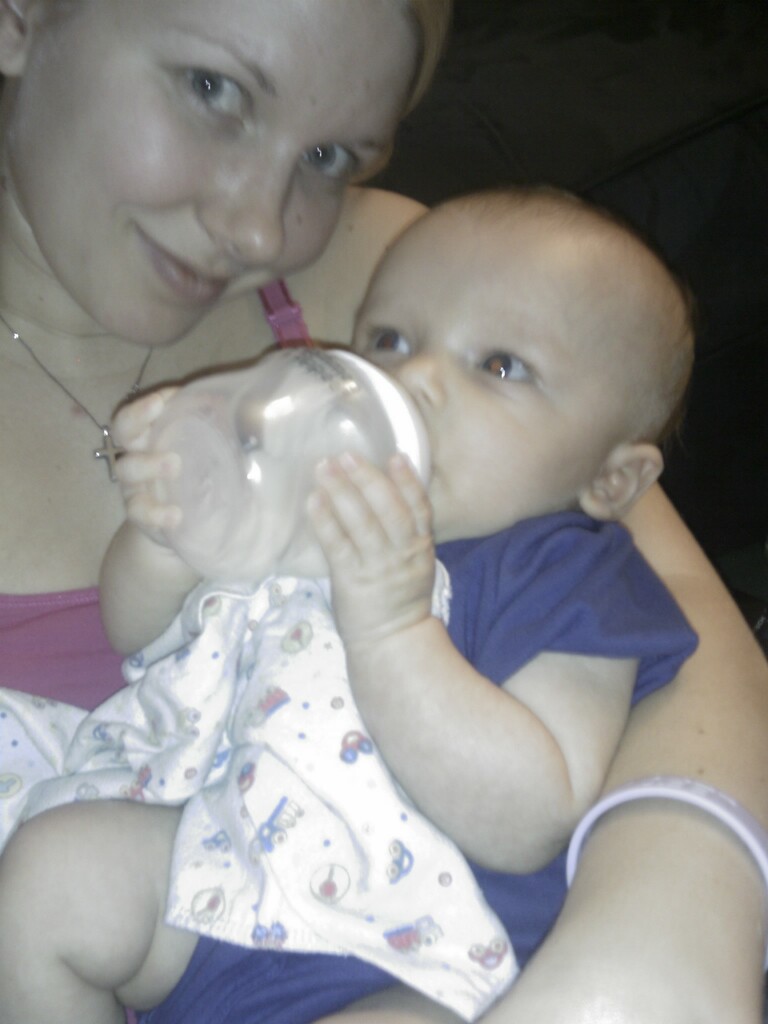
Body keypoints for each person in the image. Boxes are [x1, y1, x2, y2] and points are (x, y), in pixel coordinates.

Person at [0, 2, 765, 1024]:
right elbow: (139, 634)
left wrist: (394, 629)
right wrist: (171, 538)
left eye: (328, 156)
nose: (260, 229)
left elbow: (535, 808)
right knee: (47, 879)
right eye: (213, 89)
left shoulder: (558, 562)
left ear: (613, 482)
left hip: (403, 948)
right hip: (210, 878)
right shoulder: (318, 476)